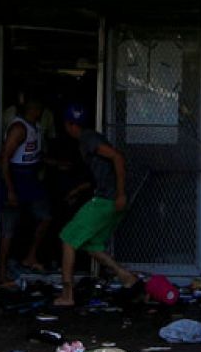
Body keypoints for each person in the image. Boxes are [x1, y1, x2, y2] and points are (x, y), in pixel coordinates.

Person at [54, 104, 140, 307]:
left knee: (68, 238)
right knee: (91, 245)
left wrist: (120, 194)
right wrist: (77, 191)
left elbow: (117, 157)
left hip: (107, 200)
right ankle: (126, 276)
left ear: (68, 125)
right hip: (110, 199)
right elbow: (101, 173)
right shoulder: (90, 139)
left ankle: (67, 294)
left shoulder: (88, 139)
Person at [0, 96, 54, 287]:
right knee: (8, 229)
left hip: (29, 177)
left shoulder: (34, 127)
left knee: (45, 216)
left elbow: (34, 155)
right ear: (33, 109)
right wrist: (10, 190)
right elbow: (4, 159)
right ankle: (2, 274)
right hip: (15, 177)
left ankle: (30, 256)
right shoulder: (19, 128)